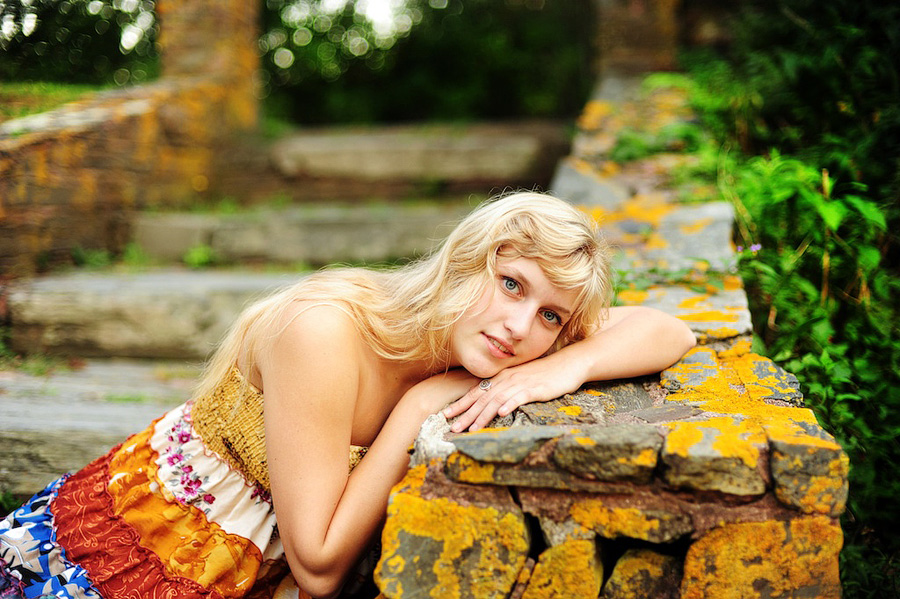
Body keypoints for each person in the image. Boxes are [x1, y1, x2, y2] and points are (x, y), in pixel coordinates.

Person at [0, 192, 696, 599]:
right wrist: (418, 409)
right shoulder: (326, 332)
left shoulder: (502, 340)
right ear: (465, 260)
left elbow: (672, 329)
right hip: (134, 554)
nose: (520, 327)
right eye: (511, 283)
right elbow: (320, 563)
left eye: (551, 316)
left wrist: (565, 369)